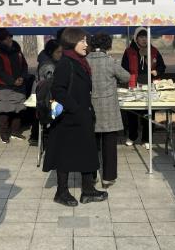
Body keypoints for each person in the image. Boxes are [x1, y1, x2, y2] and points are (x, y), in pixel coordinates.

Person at [43, 27, 108, 206]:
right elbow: (58, 90)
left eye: (86, 41)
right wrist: (76, 109)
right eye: (82, 41)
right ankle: (61, 192)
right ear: (72, 42)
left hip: (81, 116)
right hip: (69, 118)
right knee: (64, 155)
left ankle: (88, 190)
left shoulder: (80, 61)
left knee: (87, 152)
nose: (86, 44)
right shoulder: (66, 63)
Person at [86, 33, 130, 187]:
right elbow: (126, 77)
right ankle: (108, 177)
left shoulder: (84, 61)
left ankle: (91, 176)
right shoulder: (111, 62)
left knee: (91, 144)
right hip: (108, 107)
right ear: (109, 46)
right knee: (109, 144)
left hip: (89, 106)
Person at [121, 27, 166, 149]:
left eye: (146, 37)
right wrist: (129, 76)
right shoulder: (129, 51)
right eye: (141, 37)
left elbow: (162, 66)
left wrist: (157, 71)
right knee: (132, 113)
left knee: (149, 112)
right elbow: (123, 68)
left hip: (150, 85)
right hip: (133, 85)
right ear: (136, 38)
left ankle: (146, 138)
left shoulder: (154, 51)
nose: (144, 39)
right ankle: (132, 136)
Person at [0, 28, 28, 143]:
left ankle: (15, 131)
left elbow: (24, 66)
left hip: (19, 85)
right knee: (5, 110)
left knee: (18, 109)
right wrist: (12, 81)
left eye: (10, 37)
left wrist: (22, 77)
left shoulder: (18, 52)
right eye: (5, 39)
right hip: (4, 86)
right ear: (1, 40)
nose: (9, 40)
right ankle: (3, 133)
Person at [29, 39, 63, 146]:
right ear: (50, 52)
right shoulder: (49, 66)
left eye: (61, 52)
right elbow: (53, 84)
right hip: (45, 100)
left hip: (41, 98)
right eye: (58, 52)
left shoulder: (48, 62)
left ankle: (35, 137)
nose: (60, 54)